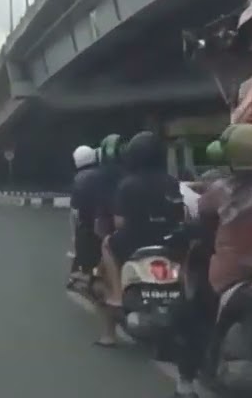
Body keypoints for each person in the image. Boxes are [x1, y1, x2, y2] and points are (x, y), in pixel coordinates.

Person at [168, 123, 252, 398]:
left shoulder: (221, 191)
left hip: (235, 276)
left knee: (194, 316)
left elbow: (203, 219)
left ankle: (185, 383)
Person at [96, 131, 186, 347]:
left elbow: (119, 223)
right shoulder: (171, 182)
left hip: (135, 241)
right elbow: (180, 214)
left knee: (107, 245)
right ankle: (186, 287)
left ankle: (114, 305)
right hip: (168, 240)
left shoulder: (128, 184)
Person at [68, 145, 105, 289]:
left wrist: (74, 236)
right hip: (106, 224)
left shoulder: (79, 179)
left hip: (88, 230)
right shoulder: (103, 174)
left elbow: (75, 212)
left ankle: (84, 272)